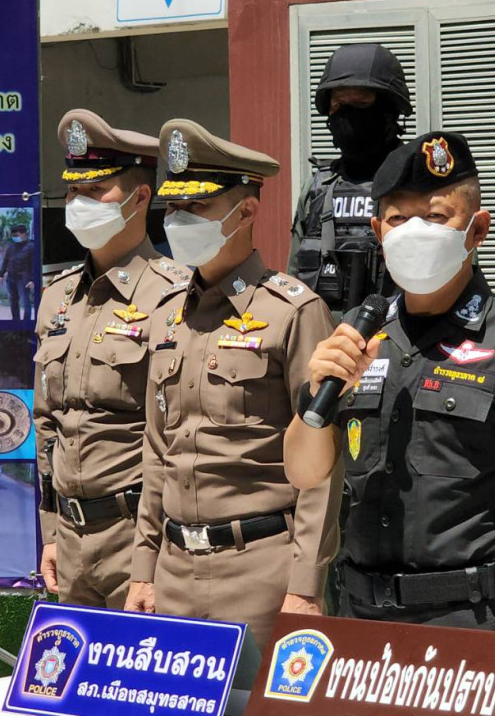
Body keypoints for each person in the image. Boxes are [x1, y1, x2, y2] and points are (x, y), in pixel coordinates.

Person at [284, 131, 495, 637]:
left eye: (435, 217)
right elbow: (304, 472)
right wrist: (314, 395)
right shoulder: (360, 336)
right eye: (398, 220)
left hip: (473, 622)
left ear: (477, 229)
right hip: (362, 617)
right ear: (377, 232)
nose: (414, 232)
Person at [125, 119, 339, 648]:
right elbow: (158, 450)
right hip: (174, 570)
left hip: (261, 572)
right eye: (173, 207)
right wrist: (144, 567)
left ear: (245, 212)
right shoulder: (166, 314)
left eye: (196, 206)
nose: (178, 220)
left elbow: (322, 464)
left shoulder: (293, 311)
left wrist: (305, 585)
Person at [33, 109, 191, 610]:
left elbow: (177, 438)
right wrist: (51, 530)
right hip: (71, 539)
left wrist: (152, 553)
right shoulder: (57, 297)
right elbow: (48, 425)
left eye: (96, 190)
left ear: (141, 197)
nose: (79, 203)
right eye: (73, 192)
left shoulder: (178, 296)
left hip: (140, 537)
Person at [288, 43, 410, 319]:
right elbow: (293, 280)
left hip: (399, 339)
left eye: (360, 104)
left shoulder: (419, 183)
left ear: (389, 110)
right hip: (324, 338)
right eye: (338, 105)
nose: (347, 115)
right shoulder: (319, 188)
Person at [0, 223, 36, 320]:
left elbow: (34, 264)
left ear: (23, 234)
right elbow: (6, 261)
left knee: (25, 302)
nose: (14, 238)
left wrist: (32, 280)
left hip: (23, 279)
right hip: (11, 278)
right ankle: (16, 321)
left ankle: (26, 323)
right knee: (13, 301)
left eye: (16, 235)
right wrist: (0, 275)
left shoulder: (31, 247)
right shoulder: (11, 247)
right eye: (13, 236)